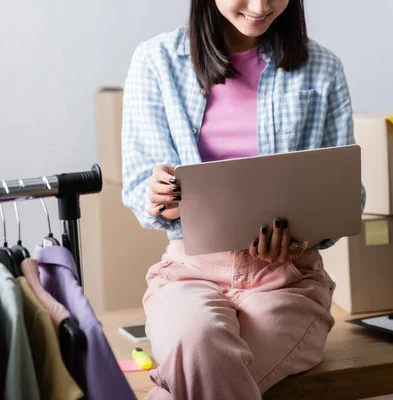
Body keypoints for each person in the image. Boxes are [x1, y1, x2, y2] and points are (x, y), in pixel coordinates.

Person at [122, 0, 365, 398]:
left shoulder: (323, 67)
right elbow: (137, 186)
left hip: (288, 283)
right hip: (189, 274)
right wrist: (157, 193)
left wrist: (303, 236)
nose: (260, 6)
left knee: (196, 372)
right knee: (199, 344)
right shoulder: (157, 61)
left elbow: (346, 196)